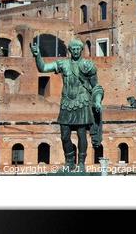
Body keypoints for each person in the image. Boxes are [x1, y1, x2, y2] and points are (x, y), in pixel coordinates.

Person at [31, 38, 104, 172]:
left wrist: (98, 101)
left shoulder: (88, 66)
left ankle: (81, 163)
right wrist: (38, 55)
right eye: (73, 49)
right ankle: (69, 162)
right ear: (70, 50)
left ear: (81, 50)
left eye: (78, 49)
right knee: (64, 135)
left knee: (82, 134)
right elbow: (43, 68)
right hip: (66, 104)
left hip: (82, 102)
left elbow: (96, 87)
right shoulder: (63, 64)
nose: (76, 51)